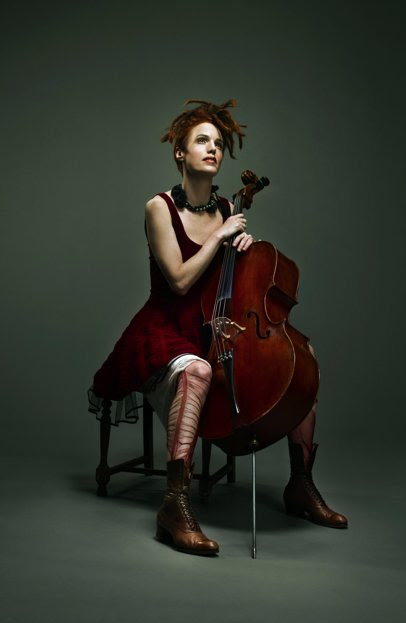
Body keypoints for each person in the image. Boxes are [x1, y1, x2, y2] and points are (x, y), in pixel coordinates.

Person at [89, 99, 347, 557]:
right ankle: (175, 505)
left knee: (301, 361)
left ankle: (301, 483)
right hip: (164, 330)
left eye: (219, 144)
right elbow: (180, 279)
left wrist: (242, 247)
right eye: (202, 141)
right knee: (198, 371)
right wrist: (220, 235)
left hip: (212, 327)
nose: (213, 149)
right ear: (180, 153)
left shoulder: (227, 206)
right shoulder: (159, 208)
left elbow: (227, 282)